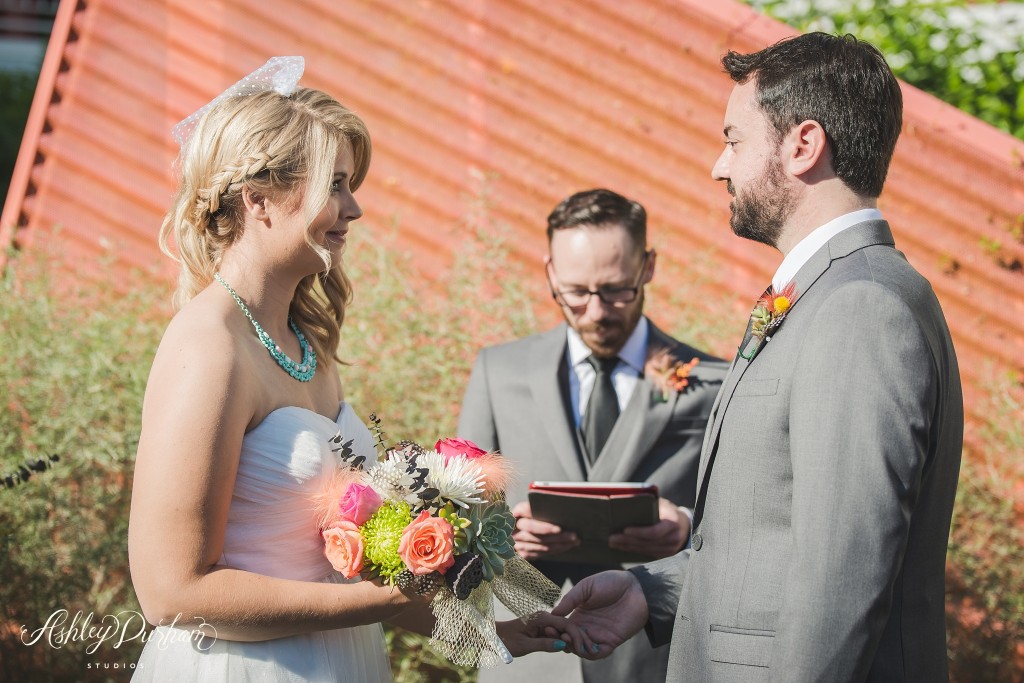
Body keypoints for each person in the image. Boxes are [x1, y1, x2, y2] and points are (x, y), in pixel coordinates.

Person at [128, 57, 576, 682]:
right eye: (334, 184)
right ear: (258, 198)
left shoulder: (305, 342)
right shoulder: (207, 347)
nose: (354, 208)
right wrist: (381, 601)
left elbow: (347, 565)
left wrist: (489, 632)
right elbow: (171, 594)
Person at [550, 33, 965, 682]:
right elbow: (767, 542)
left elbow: (842, 578)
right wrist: (650, 592)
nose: (719, 165)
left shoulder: (861, 307)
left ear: (803, 145)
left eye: (734, 139)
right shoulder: (828, 293)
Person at [458, 188, 729, 682]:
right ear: (550, 274)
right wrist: (504, 534)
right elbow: (459, 519)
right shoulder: (497, 371)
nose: (597, 312)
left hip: (654, 659)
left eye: (616, 290)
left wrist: (687, 527)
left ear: (647, 267)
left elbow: (741, 526)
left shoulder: (715, 382)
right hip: (529, 658)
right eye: (576, 293)